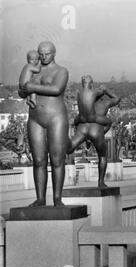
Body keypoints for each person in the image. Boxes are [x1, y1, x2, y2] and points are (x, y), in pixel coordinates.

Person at [18, 41, 69, 207]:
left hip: (56, 117)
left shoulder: (61, 71)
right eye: (40, 53)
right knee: (38, 160)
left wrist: (31, 87)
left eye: (47, 53)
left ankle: (57, 199)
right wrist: (25, 90)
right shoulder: (34, 70)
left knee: (57, 160)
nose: (43, 56)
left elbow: (56, 89)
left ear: (54, 53)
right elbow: (21, 90)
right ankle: (40, 199)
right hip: (35, 118)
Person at [68, 80, 120, 188]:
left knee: (69, 147)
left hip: (82, 128)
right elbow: (117, 99)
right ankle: (100, 182)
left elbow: (76, 121)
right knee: (102, 155)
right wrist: (106, 91)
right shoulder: (104, 103)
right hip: (96, 130)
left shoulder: (84, 106)